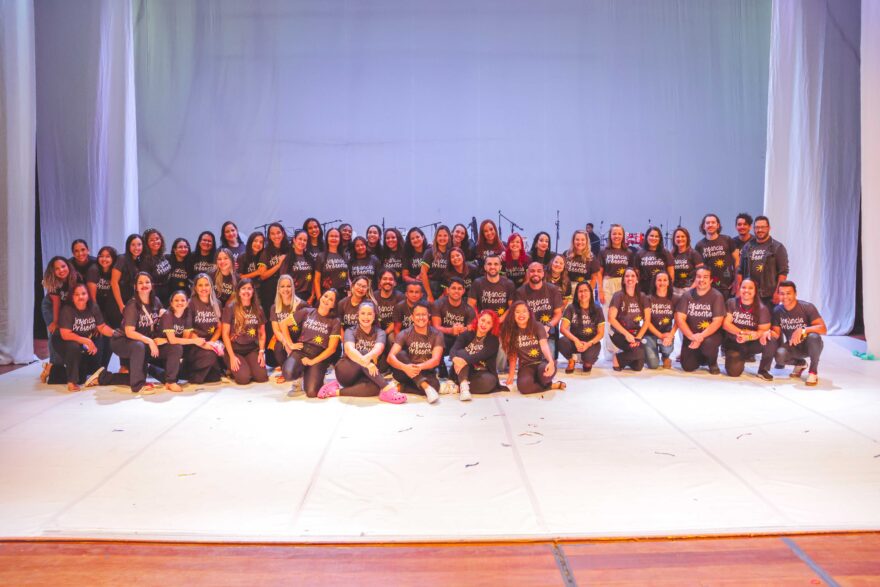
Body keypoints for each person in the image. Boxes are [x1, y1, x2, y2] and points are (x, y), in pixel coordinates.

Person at [100, 272, 183, 393]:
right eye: (140, 283)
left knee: (175, 347)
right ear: (136, 287)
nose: (144, 285)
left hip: (145, 342)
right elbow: (129, 332)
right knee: (139, 347)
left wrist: (163, 336)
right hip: (124, 341)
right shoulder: (132, 305)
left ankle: (170, 381)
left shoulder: (156, 301)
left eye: (147, 282)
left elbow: (162, 322)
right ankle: (138, 386)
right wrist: (150, 341)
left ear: (152, 285)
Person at [321, 301, 406, 403]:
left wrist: (366, 362)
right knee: (364, 352)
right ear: (358, 315)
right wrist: (367, 363)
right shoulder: (350, 331)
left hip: (364, 374)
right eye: (363, 313)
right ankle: (387, 388)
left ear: (374, 316)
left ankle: (335, 391)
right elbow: (349, 350)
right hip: (346, 371)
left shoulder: (380, 332)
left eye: (369, 314)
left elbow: (378, 349)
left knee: (375, 388)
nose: (366, 317)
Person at [46, 283, 115, 391]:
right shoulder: (67, 310)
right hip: (62, 340)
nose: (81, 297)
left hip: (80, 342)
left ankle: (52, 370)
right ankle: (71, 382)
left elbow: (102, 327)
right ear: (72, 297)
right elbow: (65, 334)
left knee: (82, 377)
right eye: (77, 294)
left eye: (83, 293)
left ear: (88, 295)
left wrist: (116, 333)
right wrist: (87, 341)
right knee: (74, 347)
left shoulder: (93, 307)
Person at [283, 289, 341, 396]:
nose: (326, 300)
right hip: (301, 350)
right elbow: (284, 323)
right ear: (321, 297)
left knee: (312, 393)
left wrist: (312, 362)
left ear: (333, 305)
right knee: (288, 374)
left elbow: (332, 349)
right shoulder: (306, 311)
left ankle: (316, 374)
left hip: (318, 355)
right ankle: (300, 376)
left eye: (331, 299)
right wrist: (290, 344)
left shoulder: (335, 321)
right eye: (325, 296)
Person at [769, 281, 827, 386]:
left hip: (810, 345)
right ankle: (800, 364)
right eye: (782, 293)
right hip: (793, 345)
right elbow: (776, 333)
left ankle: (813, 372)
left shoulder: (807, 307)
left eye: (788, 293)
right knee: (779, 356)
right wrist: (766, 333)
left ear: (795, 294)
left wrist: (803, 330)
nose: (785, 297)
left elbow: (823, 329)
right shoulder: (777, 311)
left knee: (814, 337)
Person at [501, 301, 565, 394]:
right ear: (512, 315)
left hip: (542, 362)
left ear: (529, 313)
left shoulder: (538, 326)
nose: (521, 314)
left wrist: (551, 361)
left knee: (545, 375)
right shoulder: (510, 331)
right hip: (526, 366)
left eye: (524, 311)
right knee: (524, 388)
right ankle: (551, 386)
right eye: (517, 312)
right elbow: (513, 355)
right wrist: (511, 376)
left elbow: (544, 346)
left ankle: (545, 380)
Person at [159, 290, 218, 388]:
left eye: (183, 300)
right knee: (176, 348)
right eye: (176, 300)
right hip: (166, 349)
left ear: (187, 303)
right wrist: (194, 341)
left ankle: (188, 373)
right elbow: (173, 341)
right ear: (171, 303)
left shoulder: (187, 314)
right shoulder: (167, 315)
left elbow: (185, 338)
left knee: (209, 355)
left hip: (180, 347)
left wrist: (202, 344)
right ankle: (153, 370)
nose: (179, 303)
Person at [387, 301, 444, 403]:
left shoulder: (437, 334)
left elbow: (436, 360)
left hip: (424, 370)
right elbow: (390, 357)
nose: (421, 317)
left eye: (424, 314)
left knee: (436, 387)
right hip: (404, 371)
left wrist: (417, 368)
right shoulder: (404, 333)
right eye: (418, 315)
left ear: (429, 316)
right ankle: (425, 387)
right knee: (400, 354)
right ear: (412, 317)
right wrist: (405, 367)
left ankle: (401, 387)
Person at [675, 267, 726, 374]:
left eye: (705, 277)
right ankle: (700, 357)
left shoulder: (717, 296)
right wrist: (691, 336)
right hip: (692, 335)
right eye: (699, 277)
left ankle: (712, 362)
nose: (701, 280)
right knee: (688, 367)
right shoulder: (687, 295)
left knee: (708, 344)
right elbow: (680, 318)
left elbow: (717, 321)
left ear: (711, 280)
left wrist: (701, 336)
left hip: (710, 335)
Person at [721, 278, 774, 380]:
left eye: (750, 288)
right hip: (734, 342)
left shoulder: (762, 308)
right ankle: (739, 358)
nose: (746, 290)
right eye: (743, 287)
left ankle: (763, 370)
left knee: (770, 339)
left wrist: (748, 337)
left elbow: (763, 331)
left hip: (752, 343)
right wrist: (741, 333)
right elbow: (726, 324)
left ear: (755, 290)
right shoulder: (731, 302)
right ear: (739, 288)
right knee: (734, 372)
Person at [40, 256, 82, 379]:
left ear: (68, 266)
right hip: (51, 307)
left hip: (66, 308)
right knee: (55, 333)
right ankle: (53, 366)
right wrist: (55, 321)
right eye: (57, 269)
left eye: (63, 266)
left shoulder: (76, 277)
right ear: (53, 271)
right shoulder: (53, 281)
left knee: (67, 334)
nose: (61, 270)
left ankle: (61, 366)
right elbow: (56, 303)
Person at [221, 279, 269, 385]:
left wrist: (261, 352)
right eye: (243, 288)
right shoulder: (230, 308)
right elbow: (225, 334)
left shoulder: (258, 309)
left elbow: (262, 334)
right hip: (235, 350)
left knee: (262, 377)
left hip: (251, 349)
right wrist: (232, 356)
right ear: (238, 291)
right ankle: (231, 367)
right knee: (244, 379)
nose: (246, 291)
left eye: (249, 288)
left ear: (253, 291)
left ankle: (247, 365)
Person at [449, 310, 503, 399]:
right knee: (462, 353)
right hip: (463, 370)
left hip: (481, 373)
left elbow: (480, 355)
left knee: (490, 382)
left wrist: (464, 360)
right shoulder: (466, 334)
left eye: (488, 323)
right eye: (483, 320)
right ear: (478, 319)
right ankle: (464, 385)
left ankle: (458, 387)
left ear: (492, 326)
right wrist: (455, 358)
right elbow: (453, 349)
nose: (484, 324)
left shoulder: (493, 340)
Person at [737, 216, 789, 308]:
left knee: (767, 317)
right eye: (757, 227)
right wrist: (739, 290)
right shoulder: (747, 247)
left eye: (763, 227)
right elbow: (740, 270)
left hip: (768, 296)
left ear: (769, 228)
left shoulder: (777, 247)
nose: (760, 230)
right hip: (749, 294)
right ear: (753, 229)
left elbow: (783, 272)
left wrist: (778, 292)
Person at [597, 224, 633, 357]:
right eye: (614, 233)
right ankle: (610, 350)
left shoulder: (629, 252)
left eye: (619, 233)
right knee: (608, 317)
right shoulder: (603, 252)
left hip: (623, 285)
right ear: (610, 235)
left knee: (623, 317)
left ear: (623, 236)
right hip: (608, 283)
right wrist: (600, 290)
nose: (617, 236)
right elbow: (599, 273)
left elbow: (633, 273)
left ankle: (623, 347)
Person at [431, 277, 476, 376]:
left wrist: (462, 329)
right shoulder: (438, 304)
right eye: (453, 288)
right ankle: (441, 365)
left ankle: (459, 367)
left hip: (460, 338)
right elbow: (435, 327)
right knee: (437, 335)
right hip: (443, 337)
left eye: (459, 289)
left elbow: (471, 328)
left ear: (463, 291)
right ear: (448, 290)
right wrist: (451, 330)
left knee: (469, 337)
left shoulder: (469, 309)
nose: (456, 291)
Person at [516, 262, 563, 355]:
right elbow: (518, 317)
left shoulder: (553, 290)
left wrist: (548, 327)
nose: (535, 273)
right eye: (532, 271)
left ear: (543, 273)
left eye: (539, 271)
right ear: (527, 273)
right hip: (528, 332)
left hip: (548, 331)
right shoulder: (520, 292)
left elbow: (558, 313)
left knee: (548, 360)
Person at [608, 268, 650, 371]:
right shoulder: (618, 295)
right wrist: (627, 334)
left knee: (638, 366)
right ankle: (617, 358)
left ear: (637, 280)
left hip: (635, 334)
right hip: (619, 334)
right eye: (627, 276)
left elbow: (647, 321)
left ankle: (622, 356)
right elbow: (611, 319)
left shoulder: (643, 297)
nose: (630, 278)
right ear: (623, 280)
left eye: (633, 276)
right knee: (638, 352)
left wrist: (638, 338)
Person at [186, 273, 225, 384]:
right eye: (200, 285)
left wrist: (211, 343)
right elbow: (189, 330)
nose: (204, 288)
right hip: (195, 343)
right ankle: (188, 372)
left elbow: (219, 327)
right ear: (195, 288)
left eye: (206, 285)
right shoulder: (190, 303)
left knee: (214, 377)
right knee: (210, 357)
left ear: (211, 286)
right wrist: (203, 344)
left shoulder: (217, 303)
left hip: (211, 343)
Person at [86, 246, 121, 367]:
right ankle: (95, 369)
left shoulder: (114, 270)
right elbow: (92, 299)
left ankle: (103, 368)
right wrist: (96, 319)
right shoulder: (94, 270)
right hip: (96, 308)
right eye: (101, 256)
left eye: (108, 256)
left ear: (113, 258)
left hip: (110, 309)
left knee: (111, 338)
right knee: (100, 338)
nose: (104, 259)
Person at [558, 281, 605, 374]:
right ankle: (572, 360)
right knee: (561, 342)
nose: (583, 294)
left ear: (590, 293)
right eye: (580, 291)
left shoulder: (597, 309)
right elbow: (562, 328)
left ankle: (584, 359)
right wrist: (576, 340)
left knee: (587, 366)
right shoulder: (571, 307)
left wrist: (589, 344)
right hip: (574, 341)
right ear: (576, 294)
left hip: (590, 342)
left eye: (586, 291)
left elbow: (601, 333)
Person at [268, 274, 304, 381]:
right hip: (284, 339)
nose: (285, 289)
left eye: (288, 286)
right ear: (278, 289)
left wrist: (293, 344)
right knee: (278, 347)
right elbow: (276, 330)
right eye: (282, 286)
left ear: (293, 288)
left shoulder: (300, 305)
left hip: (299, 338)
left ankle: (299, 368)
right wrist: (287, 343)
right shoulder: (274, 307)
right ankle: (284, 370)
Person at [694, 213, 739, 298]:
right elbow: (698, 268)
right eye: (707, 223)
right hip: (708, 287)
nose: (710, 225)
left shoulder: (727, 240)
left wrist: (736, 282)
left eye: (713, 222)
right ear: (703, 226)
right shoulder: (699, 245)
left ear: (718, 225)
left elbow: (737, 261)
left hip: (727, 286)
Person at [644, 272, 678, 370]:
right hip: (650, 334)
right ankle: (647, 353)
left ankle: (665, 356)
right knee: (653, 365)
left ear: (668, 282)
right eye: (659, 280)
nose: (662, 283)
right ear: (655, 282)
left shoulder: (675, 298)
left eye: (664, 280)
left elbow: (678, 321)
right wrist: (659, 335)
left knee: (667, 349)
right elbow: (647, 321)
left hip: (666, 334)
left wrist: (671, 335)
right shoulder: (648, 298)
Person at [259, 223, 290, 318]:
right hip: (270, 288)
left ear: (283, 233)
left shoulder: (290, 249)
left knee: (286, 315)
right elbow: (263, 276)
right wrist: (278, 265)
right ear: (269, 236)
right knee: (271, 316)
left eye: (278, 233)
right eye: (272, 233)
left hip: (287, 287)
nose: (276, 236)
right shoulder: (265, 252)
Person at [110, 233, 144, 314]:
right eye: (133, 245)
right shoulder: (122, 259)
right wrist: (121, 305)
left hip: (131, 301)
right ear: (128, 246)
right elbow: (114, 282)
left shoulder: (139, 261)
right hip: (118, 302)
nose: (136, 248)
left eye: (139, 245)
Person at [634, 226, 674, 294]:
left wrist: (667, 289)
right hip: (643, 291)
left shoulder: (666, 253)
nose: (654, 238)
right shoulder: (639, 253)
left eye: (656, 236)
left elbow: (671, 275)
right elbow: (636, 274)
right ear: (647, 237)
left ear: (660, 239)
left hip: (661, 290)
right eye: (651, 236)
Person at [314, 227, 349, 299]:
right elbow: (317, 280)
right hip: (327, 294)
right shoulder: (321, 256)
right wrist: (319, 298)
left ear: (340, 239)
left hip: (343, 294)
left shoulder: (344, 255)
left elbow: (348, 277)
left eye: (336, 236)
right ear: (327, 238)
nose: (334, 238)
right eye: (331, 236)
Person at [421, 225, 451, 301]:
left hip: (443, 287)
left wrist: (444, 292)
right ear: (436, 237)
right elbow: (423, 273)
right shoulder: (429, 252)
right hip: (429, 286)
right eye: (439, 235)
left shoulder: (450, 253)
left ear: (449, 237)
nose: (442, 238)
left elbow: (449, 274)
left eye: (445, 235)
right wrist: (429, 295)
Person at [671, 227, 703, 297]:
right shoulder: (671, 255)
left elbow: (701, 274)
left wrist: (691, 290)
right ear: (674, 239)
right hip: (674, 290)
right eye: (677, 237)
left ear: (687, 238)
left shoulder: (694, 254)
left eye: (683, 236)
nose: (680, 239)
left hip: (690, 289)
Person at [142, 228, 172, 303]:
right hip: (156, 295)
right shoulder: (145, 260)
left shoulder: (163, 256)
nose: (155, 242)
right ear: (146, 243)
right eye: (151, 240)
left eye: (157, 239)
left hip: (168, 291)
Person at [287, 230, 315, 304]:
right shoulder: (287, 258)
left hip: (308, 297)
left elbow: (313, 279)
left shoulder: (310, 258)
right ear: (294, 240)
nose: (302, 242)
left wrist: (312, 296)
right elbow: (283, 280)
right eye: (300, 239)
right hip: (293, 296)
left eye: (305, 240)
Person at [374, 269, 404, 337]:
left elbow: (399, 321)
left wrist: (384, 333)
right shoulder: (373, 297)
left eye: (391, 279)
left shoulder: (400, 297)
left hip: (393, 330)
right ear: (380, 282)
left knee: (391, 337)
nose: (387, 281)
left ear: (395, 283)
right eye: (384, 279)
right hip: (376, 330)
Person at [237, 232, 266, 300]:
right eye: (255, 241)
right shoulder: (242, 257)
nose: (258, 244)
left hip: (262, 289)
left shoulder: (264, 256)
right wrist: (257, 272)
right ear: (250, 242)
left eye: (261, 242)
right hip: (247, 290)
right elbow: (240, 277)